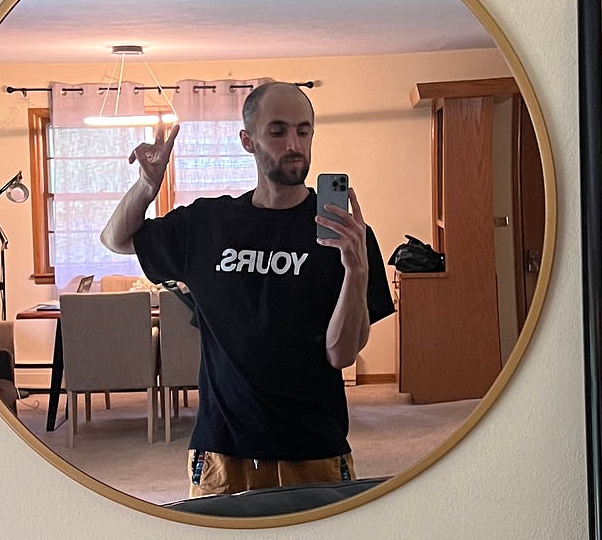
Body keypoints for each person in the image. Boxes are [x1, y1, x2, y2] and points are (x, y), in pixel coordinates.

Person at [99, 82, 394, 497]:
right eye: (277, 131)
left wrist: (356, 269)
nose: (294, 144)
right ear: (247, 140)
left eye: (303, 131)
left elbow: (340, 355)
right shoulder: (208, 224)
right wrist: (147, 186)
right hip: (222, 452)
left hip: (314, 449)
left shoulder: (347, 237)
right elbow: (115, 239)